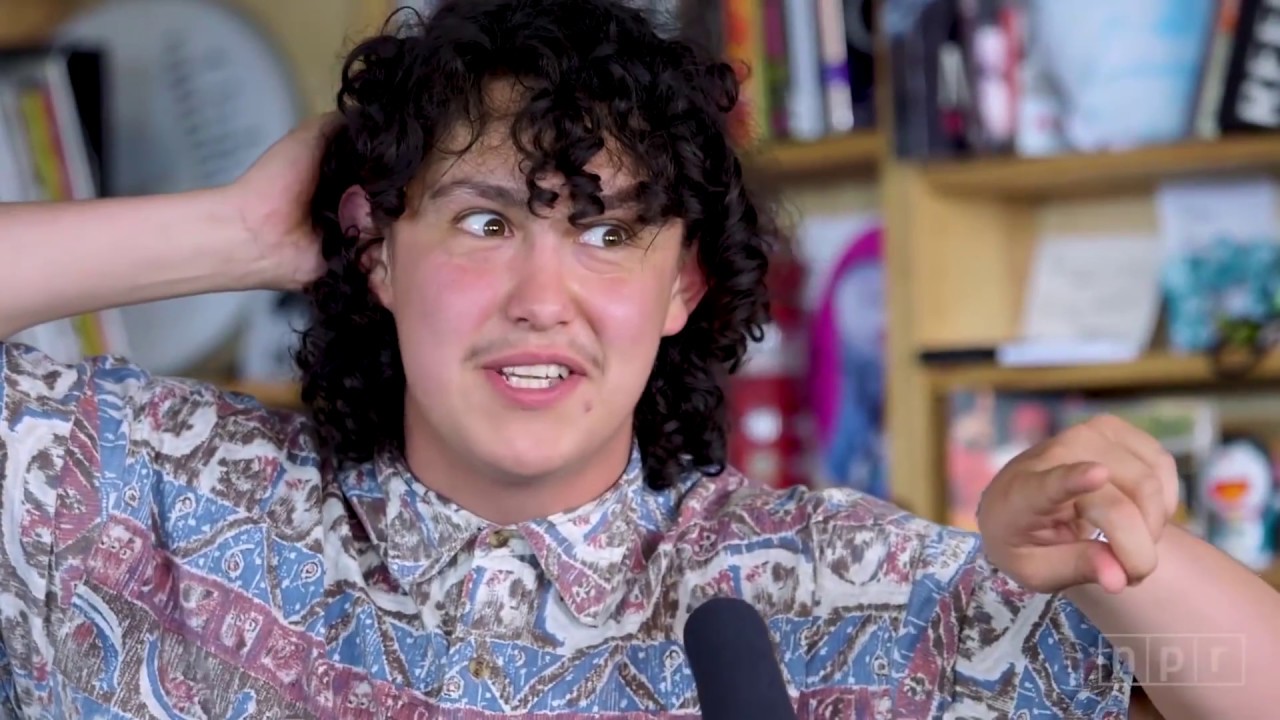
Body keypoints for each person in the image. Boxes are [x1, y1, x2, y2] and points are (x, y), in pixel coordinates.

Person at [0, 0, 1276, 717]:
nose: (541, 297)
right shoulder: (143, 497)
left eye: (607, 233)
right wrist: (224, 230)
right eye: (486, 221)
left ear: (683, 287)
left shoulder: (820, 588)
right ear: (375, 252)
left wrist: (1117, 562)